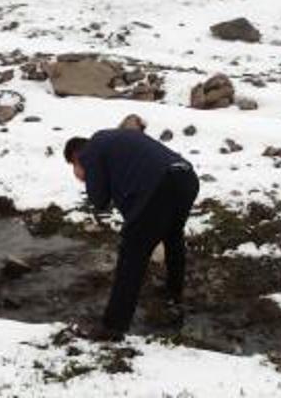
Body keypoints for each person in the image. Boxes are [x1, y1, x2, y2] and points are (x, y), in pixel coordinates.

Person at [63, 128, 200, 340]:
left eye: (73, 166)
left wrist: (86, 174)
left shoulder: (91, 150)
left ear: (75, 157)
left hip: (159, 185)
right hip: (186, 177)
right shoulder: (114, 141)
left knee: (131, 256)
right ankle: (173, 294)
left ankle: (113, 328)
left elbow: (99, 199)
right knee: (172, 236)